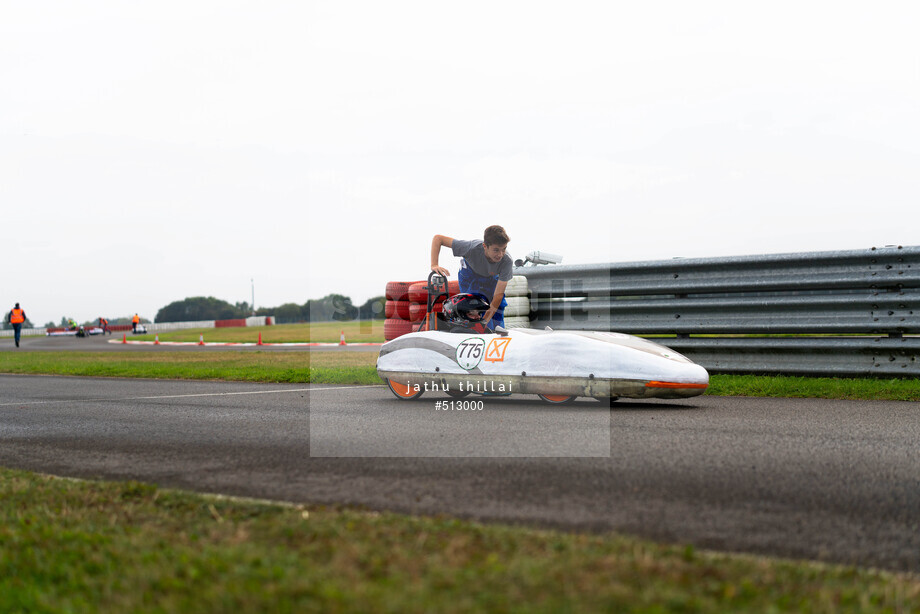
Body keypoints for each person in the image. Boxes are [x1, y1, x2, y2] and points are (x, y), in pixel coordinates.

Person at [430, 225, 512, 329]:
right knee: (475, 307)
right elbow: (438, 238)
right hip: (470, 277)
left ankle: (493, 332)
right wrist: (434, 264)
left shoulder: (507, 261)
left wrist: (484, 322)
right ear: (485, 246)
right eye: (496, 250)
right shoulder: (471, 248)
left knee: (498, 310)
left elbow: (498, 296)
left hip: (491, 279)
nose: (500, 254)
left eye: (504, 249)